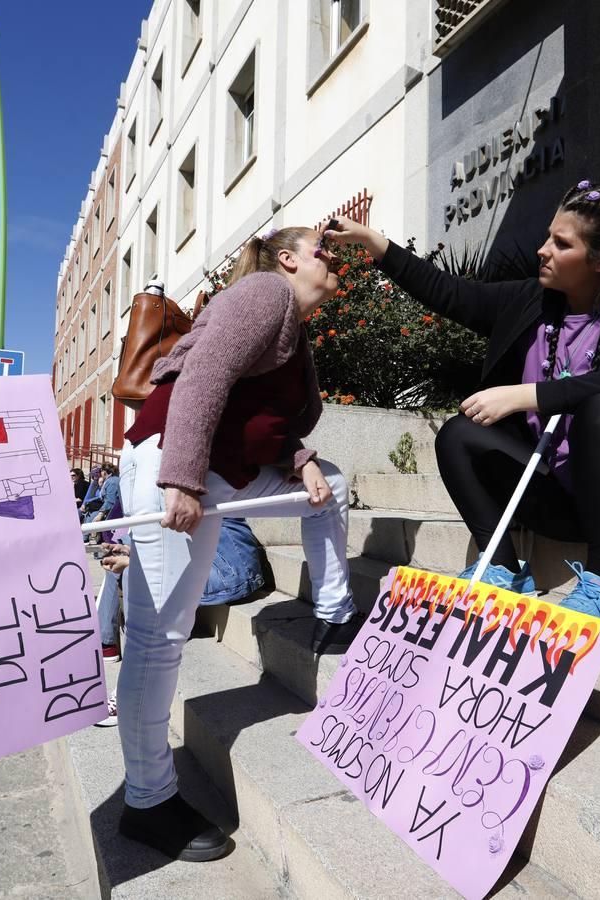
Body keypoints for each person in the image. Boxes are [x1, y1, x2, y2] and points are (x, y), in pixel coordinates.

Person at [325, 182, 600, 631]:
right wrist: (374, 243)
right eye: (549, 236)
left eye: (561, 243)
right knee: (460, 432)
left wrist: (525, 395)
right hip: (567, 503)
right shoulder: (533, 300)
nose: (542, 250)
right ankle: (502, 570)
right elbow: (451, 293)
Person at [115, 225, 357, 862]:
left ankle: (335, 612)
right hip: (177, 464)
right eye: (322, 251)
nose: (333, 260)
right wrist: (181, 477)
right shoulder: (262, 294)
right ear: (287, 260)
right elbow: (203, 376)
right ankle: (146, 800)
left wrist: (300, 458)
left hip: (220, 471)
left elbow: (257, 412)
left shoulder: (291, 325)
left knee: (331, 483)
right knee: (158, 635)